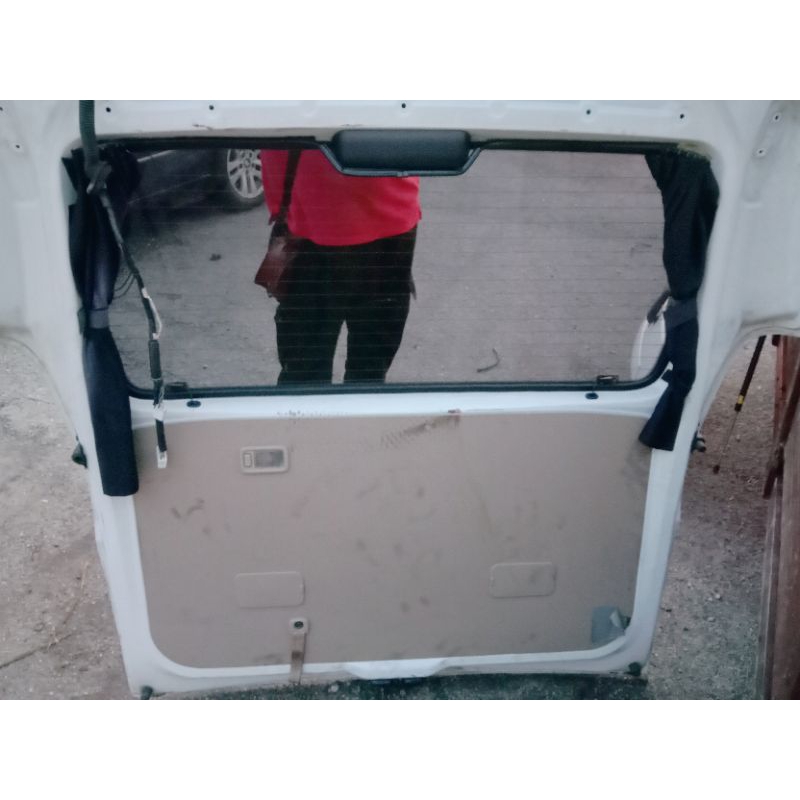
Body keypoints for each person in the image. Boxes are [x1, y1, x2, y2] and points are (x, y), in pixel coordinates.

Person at [260, 149, 420, 385]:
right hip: (388, 225)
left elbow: (275, 146)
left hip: (313, 223)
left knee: (304, 373)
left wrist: (281, 206)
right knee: (368, 370)